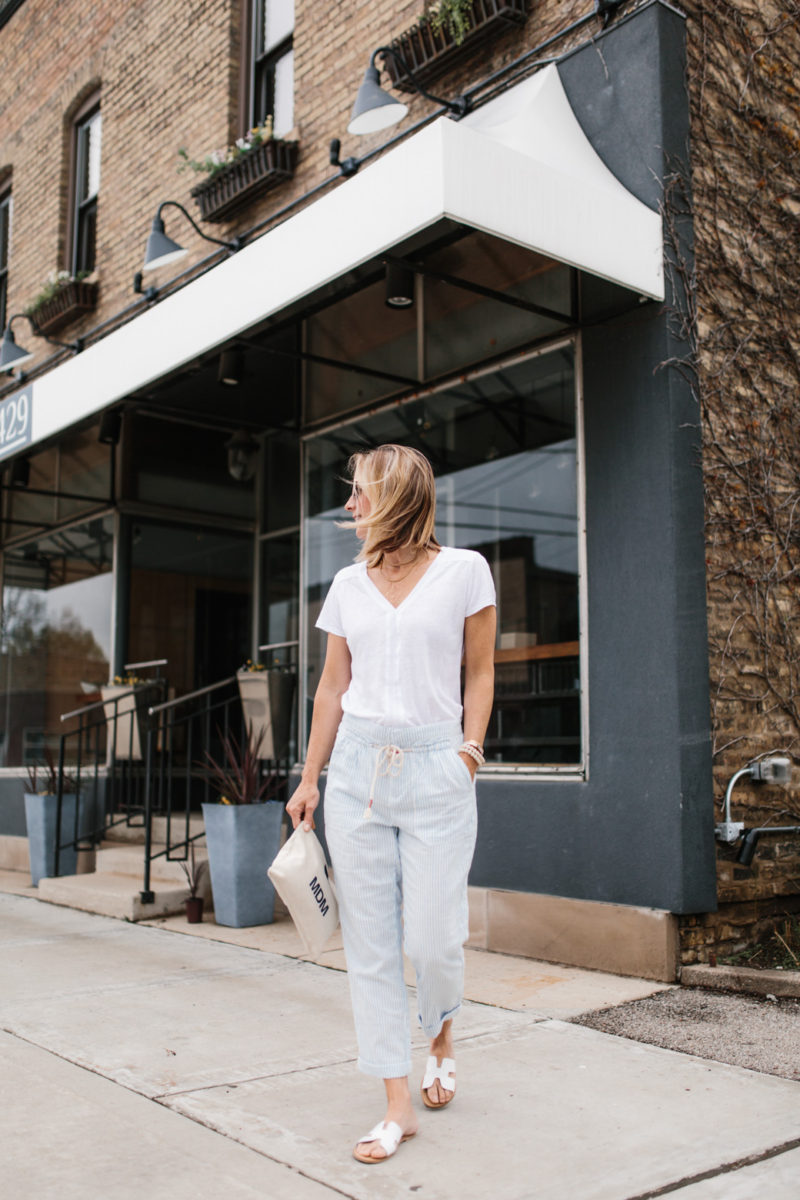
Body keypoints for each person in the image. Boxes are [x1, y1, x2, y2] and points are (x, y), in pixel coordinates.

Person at [286, 443, 496, 1164]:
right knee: (372, 951)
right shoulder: (347, 585)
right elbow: (330, 689)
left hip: (438, 769)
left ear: (397, 497)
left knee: (433, 941)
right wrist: (310, 777)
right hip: (357, 777)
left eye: (360, 495)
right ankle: (396, 1104)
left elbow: (480, 670)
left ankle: (440, 1029)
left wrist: (469, 752)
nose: (349, 506)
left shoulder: (466, 572)